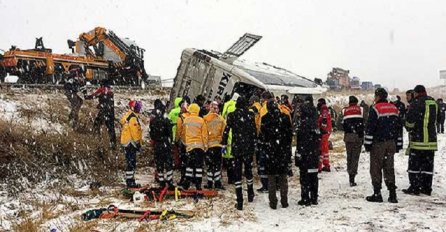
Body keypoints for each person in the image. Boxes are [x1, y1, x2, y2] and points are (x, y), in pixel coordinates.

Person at [364, 88, 402, 203]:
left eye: (375, 96)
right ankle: (392, 194)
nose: (374, 98)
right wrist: (399, 143)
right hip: (391, 143)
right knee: (389, 167)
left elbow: (370, 128)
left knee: (375, 168)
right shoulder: (394, 108)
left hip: (378, 143)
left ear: (378, 96)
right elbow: (398, 128)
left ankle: (377, 193)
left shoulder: (375, 109)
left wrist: (367, 144)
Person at [222, 96, 257, 210]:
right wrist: (254, 143)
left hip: (237, 147)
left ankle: (240, 200)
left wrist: (223, 143)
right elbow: (253, 131)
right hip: (248, 147)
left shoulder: (232, 115)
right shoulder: (250, 115)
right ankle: (250, 194)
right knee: (248, 171)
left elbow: (226, 130)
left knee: (237, 173)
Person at [403, 85, 438, 196]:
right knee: (428, 166)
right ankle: (426, 188)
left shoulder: (415, 103)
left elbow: (410, 122)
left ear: (416, 93)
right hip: (431, 142)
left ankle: (414, 187)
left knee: (414, 166)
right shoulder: (433, 103)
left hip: (418, 140)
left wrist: (407, 126)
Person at [260, 100, 292, 209]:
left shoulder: (265, 119)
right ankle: (284, 201)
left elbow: (262, 137)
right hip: (282, 151)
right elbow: (289, 136)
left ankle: (273, 202)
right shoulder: (285, 117)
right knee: (283, 177)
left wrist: (265, 148)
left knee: (271, 178)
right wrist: (287, 150)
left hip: (270, 152)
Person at [295, 95, 320, 206]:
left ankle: (305, 198)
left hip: (305, 152)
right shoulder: (315, 121)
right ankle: (314, 197)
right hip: (314, 151)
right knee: (313, 175)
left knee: (304, 175)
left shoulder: (302, 123)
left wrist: (298, 153)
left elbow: (299, 140)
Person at [180, 103, 208, 190]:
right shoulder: (201, 120)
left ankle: (187, 183)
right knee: (199, 167)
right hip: (199, 147)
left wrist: (185, 143)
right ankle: (198, 184)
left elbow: (183, 134)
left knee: (189, 166)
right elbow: (204, 135)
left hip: (190, 147)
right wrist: (205, 145)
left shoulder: (186, 120)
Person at [85, 79, 117, 149]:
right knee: (111, 129)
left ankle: (96, 139)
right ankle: (113, 144)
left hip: (104, 111)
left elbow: (93, 96)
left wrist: (86, 96)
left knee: (96, 124)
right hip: (111, 112)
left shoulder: (102, 90)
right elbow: (109, 102)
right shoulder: (110, 91)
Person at [149, 99, 174, 189]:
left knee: (159, 163)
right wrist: (170, 140)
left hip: (157, 144)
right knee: (168, 162)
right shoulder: (166, 120)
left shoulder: (153, 121)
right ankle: (169, 181)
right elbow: (169, 132)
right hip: (165, 143)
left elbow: (151, 133)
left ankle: (161, 181)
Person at [341, 96, 364, 186]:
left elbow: (341, 124)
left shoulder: (344, 110)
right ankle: (352, 177)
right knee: (355, 157)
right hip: (358, 136)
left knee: (349, 156)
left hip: (348, 137)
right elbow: (365, 122)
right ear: (357, 102)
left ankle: (350, 173)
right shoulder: (361, 110)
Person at [120, 101, 143, 188]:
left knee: (129, 162)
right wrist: (138, 143)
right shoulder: (133, 118)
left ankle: (130, 180)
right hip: (130, 143)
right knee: (131, 162)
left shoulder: (128, 115)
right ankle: (130, 182)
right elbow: (135, 132)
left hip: (127, 142)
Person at [203, 101, 226, 190]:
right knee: (217, 165)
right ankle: (217, 182)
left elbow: (204, 134)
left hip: (209, 146)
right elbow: (224, 133)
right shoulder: (221, 119)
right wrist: (223, 144)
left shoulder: (205, 119)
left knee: (209, 165)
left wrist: (205, 145)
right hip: (218, 146)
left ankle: (209, 183)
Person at [256, 91, 274, 192]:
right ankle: (273, 184)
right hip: (274, 140)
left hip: (265, 139)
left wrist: (260, 135)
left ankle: (266, 185)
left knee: (263, 163)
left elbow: (261, 123)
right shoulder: (278, 107)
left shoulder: (265, 108)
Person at [221, 93, 239, 185]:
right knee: (235, 158)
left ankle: (230, 177)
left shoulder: (227, 104)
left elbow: (223, 116)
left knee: (228, 157)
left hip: (228, 131)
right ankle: (236, 176)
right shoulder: (239, 105)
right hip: (237, 132)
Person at [175, 97, 191, 186]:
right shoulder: (192, 116)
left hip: (183, 142)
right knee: (189, 163)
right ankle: (189, 179)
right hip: (192, 142)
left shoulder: (181, 117)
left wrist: (176, 140)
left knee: (183, 163)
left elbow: (178, 131)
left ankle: (184, 179)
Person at [317, 98, 332, 172]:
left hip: (324, 132)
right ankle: (326, 165)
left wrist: (321, 130)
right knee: (325, 150)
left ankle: (319, 166)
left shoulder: (324, 110)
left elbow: (324, 121)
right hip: (326, 132)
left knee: (321, 149)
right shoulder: (325, 110)